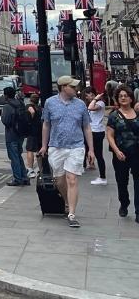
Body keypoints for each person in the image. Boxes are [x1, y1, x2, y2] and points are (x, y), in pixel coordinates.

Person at [39, 75, 96, 228]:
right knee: (59, 180)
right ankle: (66, 200)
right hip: (56, 146)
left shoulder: (81, 105)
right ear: (64, 87)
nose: (76, 89)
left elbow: (86, 127)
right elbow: (46, 125)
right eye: (73, 87)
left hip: (76, 147)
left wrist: (91, 149)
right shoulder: (50, 103)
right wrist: (44, 145)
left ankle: (71, 213)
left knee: (72, 179)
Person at [106, 84, 139, 221]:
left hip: (137, 152)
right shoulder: (114, 116)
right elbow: (109, 135)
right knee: (122, 182)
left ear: (131, 98)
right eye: (121, 96)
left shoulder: (138, 113)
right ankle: (124, 204)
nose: (123, 98)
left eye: (126, 96)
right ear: (117, 99)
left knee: (138, 181)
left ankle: (138, 211)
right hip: (120, 153)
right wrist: (117, 150)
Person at [1, 86, 29, 186]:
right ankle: (24, 177)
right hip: (20, 134)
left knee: (14, 157)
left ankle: (18, 178)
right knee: (18, 155)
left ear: (6, 95)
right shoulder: (20, 103)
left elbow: (5, 121)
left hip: (11, 135)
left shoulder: (7, 106)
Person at [86, 86, 108, 185]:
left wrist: (95, 99)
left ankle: (103, 177)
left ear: (92, 93)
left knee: (99, 155)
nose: (87, 97)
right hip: (91, 130)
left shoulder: (100, 103)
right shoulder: (92, 102)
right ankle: (91, 163)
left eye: (88, 95)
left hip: (97, 131)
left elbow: (90, 108)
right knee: (89, 149)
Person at [25, 93, 43, 178]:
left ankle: (30, 169)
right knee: (39, 150)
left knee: (30, 149)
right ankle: (41, 169)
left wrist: (30, 119)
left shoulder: (29, 106)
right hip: (40, 131)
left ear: (30, 99)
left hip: (32, 131)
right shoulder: (40, 108)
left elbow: (31, 111)